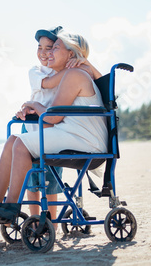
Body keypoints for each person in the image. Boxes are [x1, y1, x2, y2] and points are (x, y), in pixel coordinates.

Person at [0, 32, 108, 208]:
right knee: (13, 141)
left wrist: (34, 104)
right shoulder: (73, 75)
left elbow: (52, 117)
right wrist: (34, 108)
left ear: (71, 54)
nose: (49, 53)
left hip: (85, 142)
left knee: (20, 144)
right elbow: (51, 118)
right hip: (77, 136)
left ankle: (10, 206)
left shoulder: (75, 75)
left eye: (55, 48)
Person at [17, 27, 101, 228]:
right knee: (33, 180)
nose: (46, 52)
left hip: (53, 128)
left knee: (52, 179)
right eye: (41, 48)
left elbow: (103, 83)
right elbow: (49, 83)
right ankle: (35, 218)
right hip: (34, 127)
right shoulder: (38, 72)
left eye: (52, 47)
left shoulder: (70, 73)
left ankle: (51, 223)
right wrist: (68, 69)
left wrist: (83, 64)